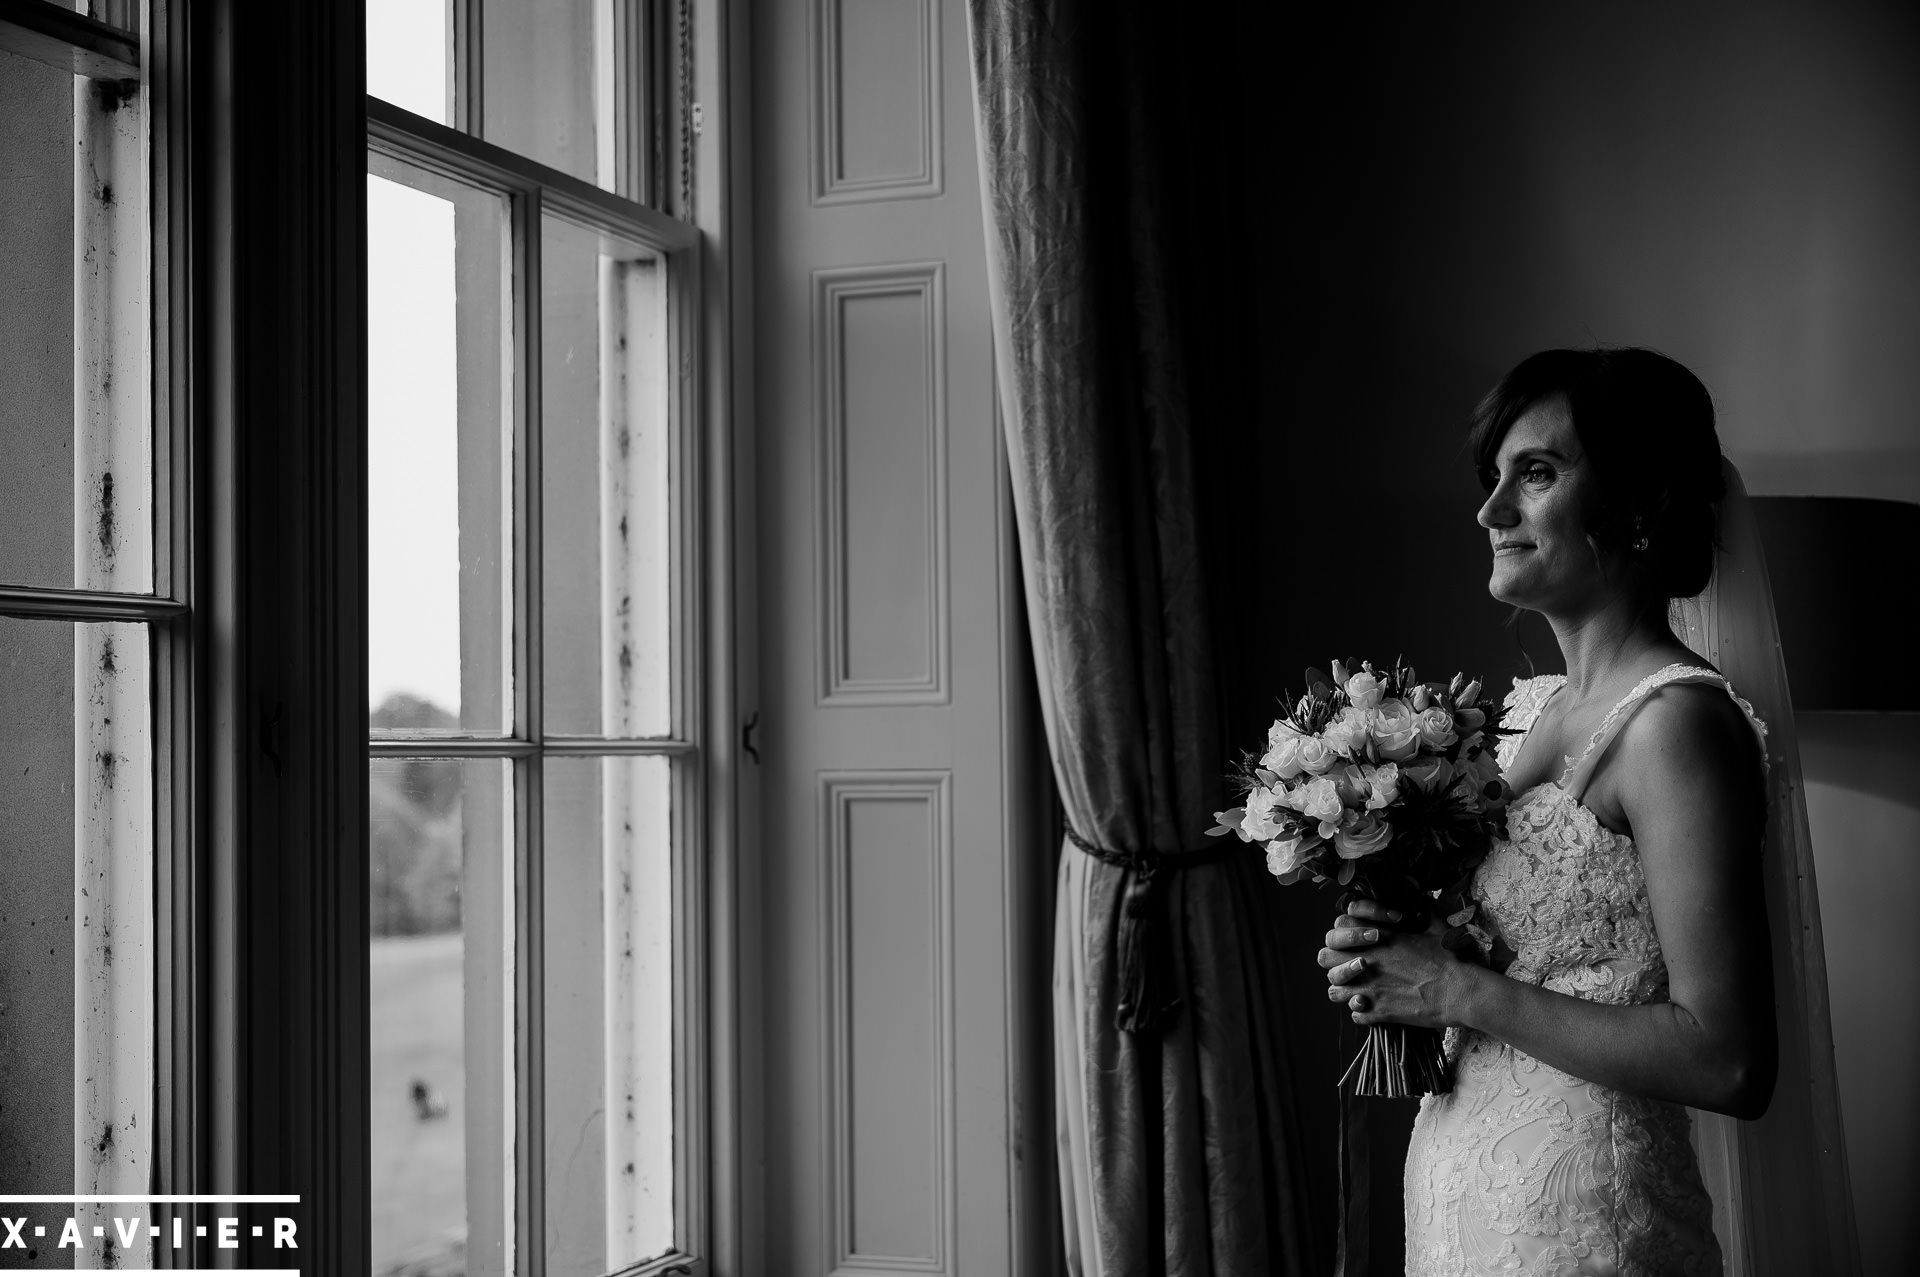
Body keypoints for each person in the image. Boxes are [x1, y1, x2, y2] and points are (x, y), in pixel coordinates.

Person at [1320, 348, 1782, 1273]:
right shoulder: (1526, 711)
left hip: (1587, 1218)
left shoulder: (1673, 726)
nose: (1491, 512)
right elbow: (1539, 954)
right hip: (1463, 1189)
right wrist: (1404, 951)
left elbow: (1727, 1056)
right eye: (1494, 479)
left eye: (1535, 473)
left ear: (1640, 504)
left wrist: (1457, 990)